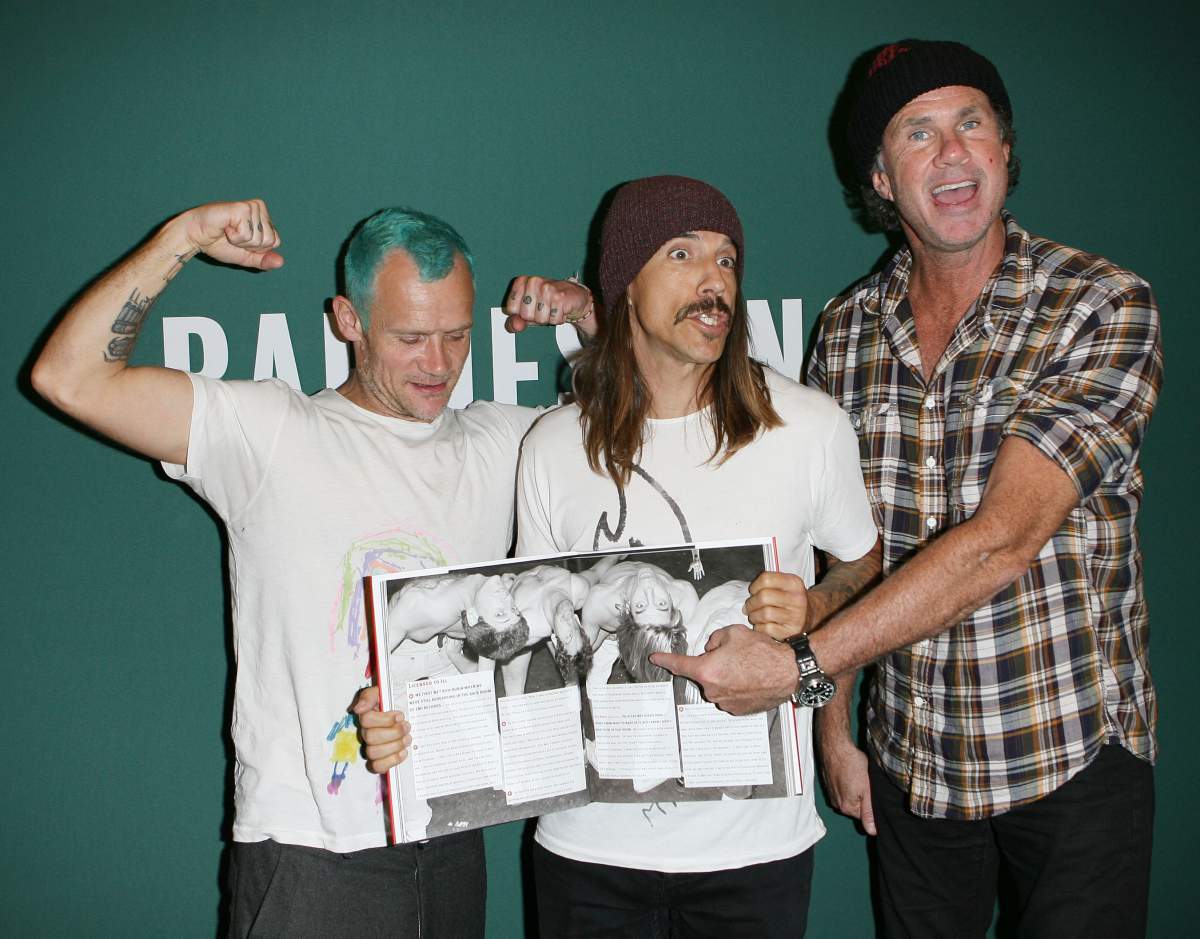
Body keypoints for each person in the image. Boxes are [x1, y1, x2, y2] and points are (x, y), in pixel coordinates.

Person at [653, 41, 1162, 938]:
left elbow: (1004, 538)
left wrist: (801, 671)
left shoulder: (1100, 304)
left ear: (1005, 150)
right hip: (913, 763)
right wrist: (836, 728)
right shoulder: (847, 329)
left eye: (972, 124)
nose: (953, 152)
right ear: (882, 179)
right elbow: (846, 549)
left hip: (1070, 751)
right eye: (918, 134)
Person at [30, 198, 593, 937]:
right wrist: (182, 239)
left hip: (455, 839)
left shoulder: (500, 442)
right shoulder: (272, 434)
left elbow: (638, 425)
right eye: (410, 337)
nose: (438, 363)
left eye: (456, 335)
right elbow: (71, 379)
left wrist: (590, 322)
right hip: (310, 853)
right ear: (348, 320)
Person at [515, 175, 881, 937]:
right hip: (586, 850)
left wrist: (813, 607)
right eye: (681, 254)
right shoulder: (553, 444)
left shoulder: (809, 428)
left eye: (726, 259)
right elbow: (532, 625)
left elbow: (863, 567)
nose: (713, 279)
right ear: (623, 284)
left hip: (758, 852)